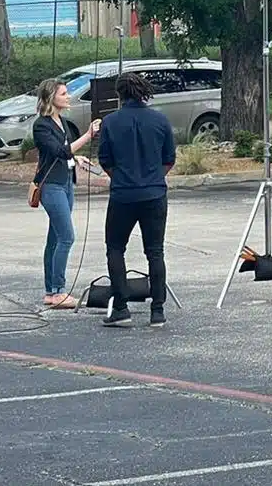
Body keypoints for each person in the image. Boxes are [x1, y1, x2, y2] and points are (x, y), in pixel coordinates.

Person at [96, 72, 176, 327]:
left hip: (123, 193)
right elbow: (169, 159)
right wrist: (152, 178)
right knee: (155, 251)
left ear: (119, 94)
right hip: (154, 192)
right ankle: (158, 310)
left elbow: (105, 160)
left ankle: (121, 307)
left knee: (116, 248)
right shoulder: (160, 120)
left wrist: (120, 177)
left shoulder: (110, 122)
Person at [32, 78, 102, 309]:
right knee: (66, 237)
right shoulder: (41, 125)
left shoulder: (61, 121)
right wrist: (88, 135)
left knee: (54, 238)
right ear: (51, 98)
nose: (68, 96)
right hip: (51, 186)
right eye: (63, 93)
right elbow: (58, 151)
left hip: (65, 183)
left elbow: (64, 154)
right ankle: (59, 290)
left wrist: (75, 158)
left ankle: (51, 291)